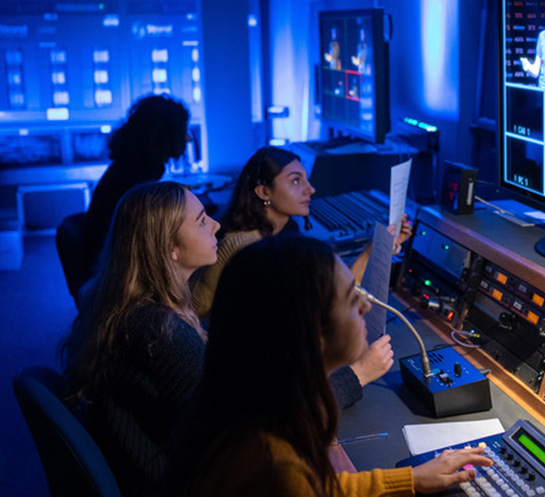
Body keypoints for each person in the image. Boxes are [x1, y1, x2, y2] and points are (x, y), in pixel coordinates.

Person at [168, 235, 492, 497]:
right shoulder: (273, 461)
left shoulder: (251, 405)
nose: (365, 306)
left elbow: (319, 488)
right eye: (352, 299)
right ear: (311, 332)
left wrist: (411, 479)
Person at [189, 146, 408, 408]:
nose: (310, 189)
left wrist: (373, 249)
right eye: (296, 181)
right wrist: (358, 372)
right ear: (264, 192)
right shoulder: (246, 247)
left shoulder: (275, 236)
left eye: (306, 179)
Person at [61, 181, 219, 494]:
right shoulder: (161, 333)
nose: (216, 225)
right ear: (169, 248)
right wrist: (344, 376)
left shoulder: (124, 307)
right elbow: (238, 429)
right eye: (202, 221)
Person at [83, 94, 190, 277]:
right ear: (166, 134)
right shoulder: (141, 175)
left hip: (107, 266)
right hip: (118, 274)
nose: (187, 138)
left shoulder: (128, 166)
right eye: (182, 131)